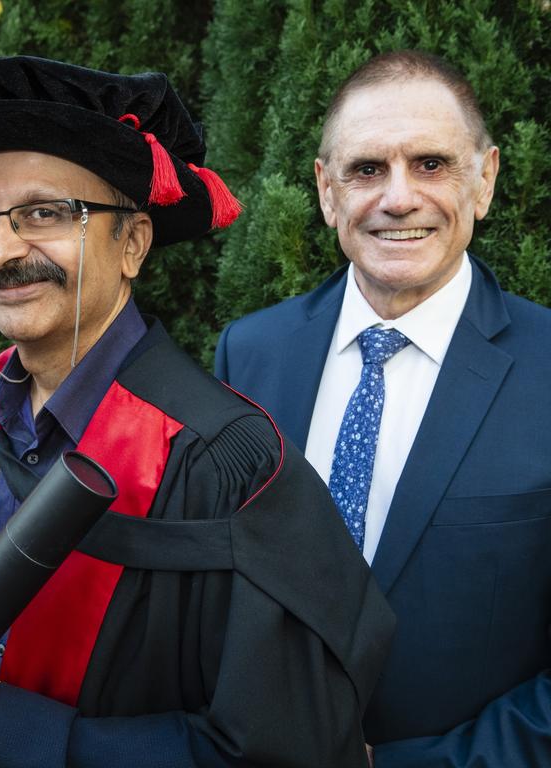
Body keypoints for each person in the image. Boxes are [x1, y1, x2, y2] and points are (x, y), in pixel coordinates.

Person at [0, 56, 395, 768]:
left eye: (43, 213)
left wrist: (4, 736)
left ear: (132, 243)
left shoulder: (224, 462)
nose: (0, 250)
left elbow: (289, 751)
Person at [215, 50, 551, 767]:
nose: (398, 197)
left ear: (485, 180)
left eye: (432, 164)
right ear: (326, 190)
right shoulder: (250, 355)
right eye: (367, 169)